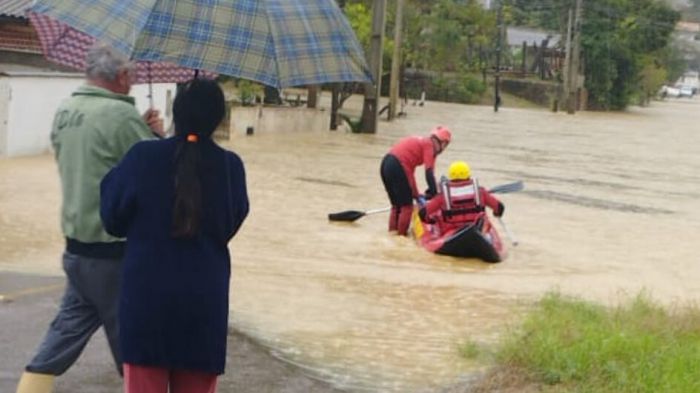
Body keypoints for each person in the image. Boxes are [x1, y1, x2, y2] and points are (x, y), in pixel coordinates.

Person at [15, 44, 164, 393]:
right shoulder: (122, 117)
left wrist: (140, 132)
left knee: (63, 334)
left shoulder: (66, 109)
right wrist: (156, 134)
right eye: (133, 74)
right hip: (114, 253)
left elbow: (99, 156)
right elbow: (155, 172)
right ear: (123, 76)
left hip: (77, 249)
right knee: (133, 346)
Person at [100, 78, 249, 393]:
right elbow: (228, 226)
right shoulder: (231, 168)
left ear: (175, 113)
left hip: (146, 306)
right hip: (203, 308)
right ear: (218, 118)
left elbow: (112, 218)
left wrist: (149, 144)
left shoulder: (142, 157)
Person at [380, 125, 451, 236]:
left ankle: (392, 235)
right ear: (442, 143)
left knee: (396, 206)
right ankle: (401, 238)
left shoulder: (422, 143)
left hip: (386, 164)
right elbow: (429, 174)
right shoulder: (429, 146)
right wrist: (435, 194)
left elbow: (409, 174)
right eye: (445, 145)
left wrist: (417, 195)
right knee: (407, 207)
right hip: (398, 166)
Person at [419, 161, 504, 234]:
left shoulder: (443, 196)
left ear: (451, 177)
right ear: (468, 175)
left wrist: (430, 221)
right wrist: (496, 214)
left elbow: (423, 213)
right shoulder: (481, 192)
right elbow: (500, 207)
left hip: (451, 232)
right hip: (476, 230)